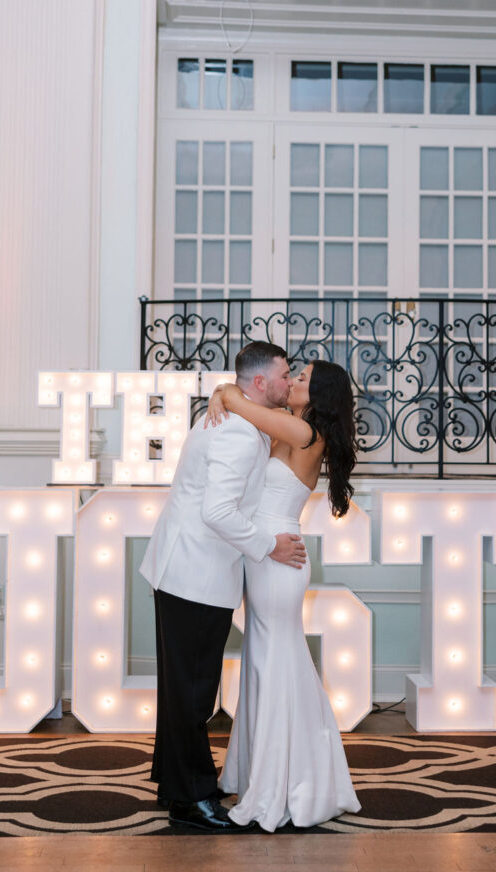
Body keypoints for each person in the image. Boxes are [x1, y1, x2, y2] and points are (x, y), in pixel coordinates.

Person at [139, 342, 308, 832]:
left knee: (181, 690)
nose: (288, 380)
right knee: (193, 694)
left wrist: (227, 393)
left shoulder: (240, 415)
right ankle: (192, 798)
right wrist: (268, 545)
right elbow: (217, 513)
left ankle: (177, 783)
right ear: (259, 383)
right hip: (196, 574)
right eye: (283, 374)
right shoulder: (238, 429)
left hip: (184, 570)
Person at [205, 358, 361, 832]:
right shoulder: (297, 431)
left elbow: (238, 401)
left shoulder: (303, 434)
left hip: (278, 558)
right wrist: (224, 395)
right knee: (266, 661)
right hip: (269, 554)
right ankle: (269, 775)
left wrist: (224, 393)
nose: (292, 381)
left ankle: (281, 784)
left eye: (302, 378)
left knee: (274, 664)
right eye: (293, 374)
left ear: (318, 396)